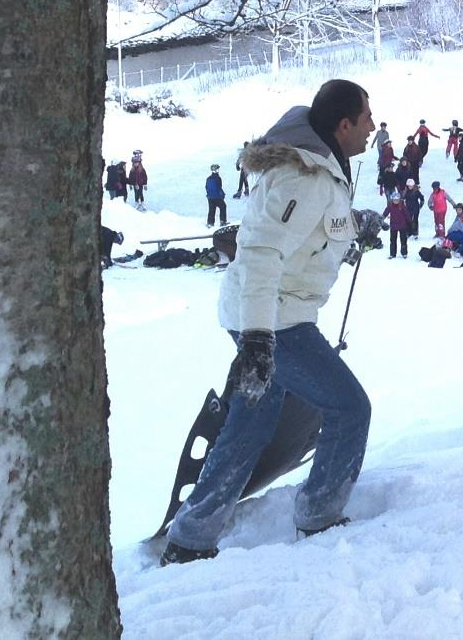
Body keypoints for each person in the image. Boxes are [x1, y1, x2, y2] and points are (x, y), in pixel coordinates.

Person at [161, 79, 376, 565]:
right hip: (276, 322)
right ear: (343, 125)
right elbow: (259, 252)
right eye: (366, 118)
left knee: (251, 423)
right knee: (349, 408)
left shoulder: (320, 166)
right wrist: (259, 341)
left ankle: (190, 538)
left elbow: (309, 232)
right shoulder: (304, 178)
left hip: (266, 314)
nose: (372, 127)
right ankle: (319, 515)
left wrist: (356, 224)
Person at [383, 192, 411, 259]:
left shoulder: (402, 206)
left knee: (403, 240)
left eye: (397, 200)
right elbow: (386, 212)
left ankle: (404, 253)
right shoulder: (390, 206)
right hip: (393, 226)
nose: (396, 201)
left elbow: (407, 214)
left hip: (402, 225)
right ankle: (392, 254)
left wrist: (410, 222)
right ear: (392, 200)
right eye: (394, 200)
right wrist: (382, 217)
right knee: (393, 240)